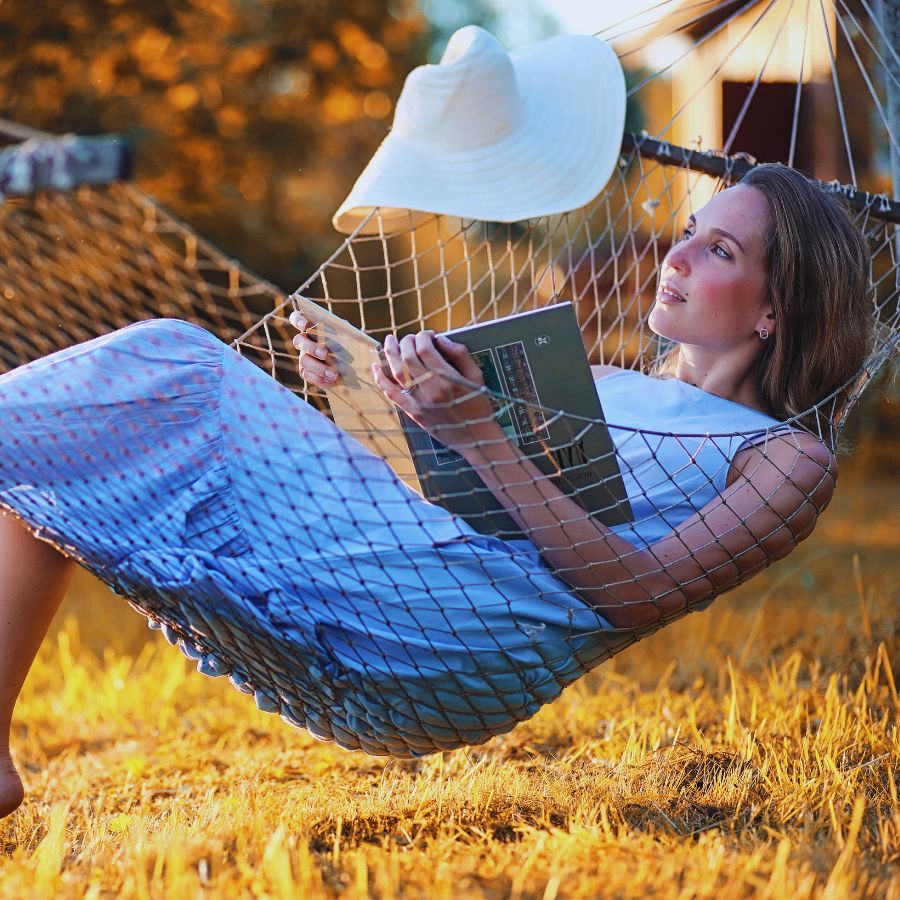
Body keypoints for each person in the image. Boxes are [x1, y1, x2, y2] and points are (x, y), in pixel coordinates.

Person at [0, 164, 872, 818]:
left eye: (717, 249)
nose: (676, 255)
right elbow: (446, 487)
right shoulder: (603, 382)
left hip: (449, 642)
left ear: (776, 309)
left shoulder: (786, 458)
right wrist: (353, 392)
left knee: (175, 362)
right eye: (688, 229)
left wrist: (481, 433)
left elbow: (640, 595)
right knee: (68, 464)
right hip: (395, 581)